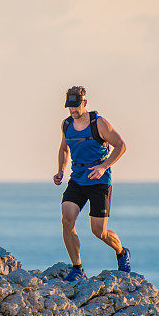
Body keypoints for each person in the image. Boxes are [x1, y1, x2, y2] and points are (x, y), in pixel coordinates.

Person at [53, 86, 130, 281]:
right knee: (67, 220)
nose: (73, 110)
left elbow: (121, 146)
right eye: (69, 107)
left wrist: (104, 167)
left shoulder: (99, 123)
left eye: (76, 106)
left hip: (99, 180)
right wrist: (61, 170)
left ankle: (121, 252)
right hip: (77, 178)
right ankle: (77, 268)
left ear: (85, 103)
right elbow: (64, 149)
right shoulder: (66, 125)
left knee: (99, 231)